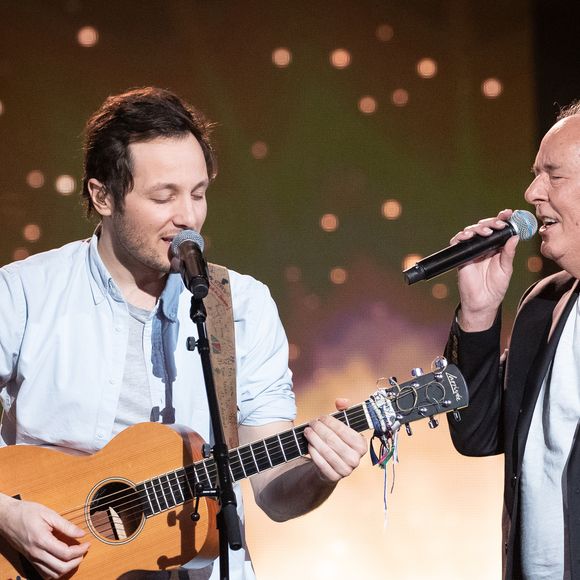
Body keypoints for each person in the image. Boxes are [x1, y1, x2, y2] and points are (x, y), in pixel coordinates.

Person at [0, 87, 367, 579]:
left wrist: (320, 471)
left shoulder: (240, 306)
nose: (188, 217)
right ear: (102, 195)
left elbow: (275, 495)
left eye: (197, 194)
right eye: (163, 196)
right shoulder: (23, 293)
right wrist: (9, 516)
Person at [445, 101, 580, 579]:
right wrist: (479, 314)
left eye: (553, 175)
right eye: (533, 173)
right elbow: (477, 434)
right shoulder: (543, 305)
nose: (531, 192)